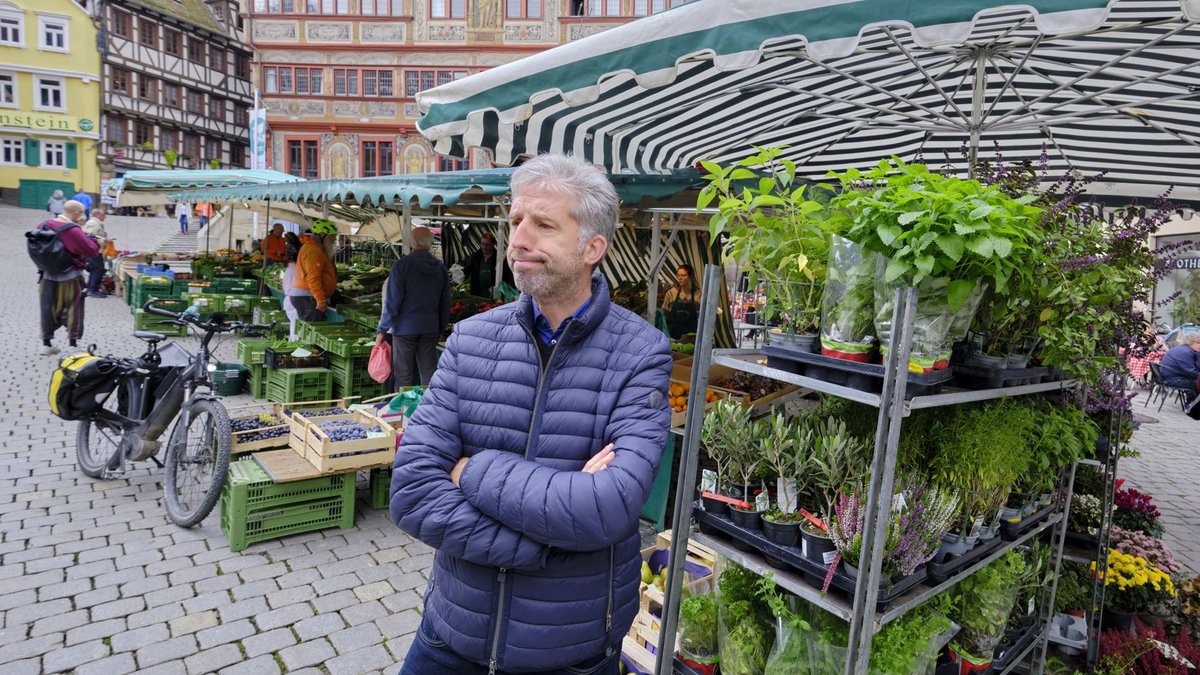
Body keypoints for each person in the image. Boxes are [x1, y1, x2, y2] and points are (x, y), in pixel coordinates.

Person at [389, 153, 672, 675]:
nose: (519, 239)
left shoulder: (641, 353)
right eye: (517, 220)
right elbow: (410, 490)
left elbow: (609, 509)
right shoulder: (472, 340)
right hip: (452, 636)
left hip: (570, 652)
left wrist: (469, 470)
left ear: (593, 247)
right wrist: (553, 537)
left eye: (543, 225)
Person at [376, 227, 450, 389]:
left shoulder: (402, 266)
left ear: (411, 242)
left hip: (404, 329)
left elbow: (392, 302)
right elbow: (445, 303)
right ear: (430, 244)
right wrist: (440, 327)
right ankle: (429, 409)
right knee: (428, 372)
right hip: (430, 328)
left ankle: (404, 410)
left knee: (403, 374)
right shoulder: (440, 268)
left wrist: (382, 330)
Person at [36, 200, 98, 355]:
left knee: (47, 308)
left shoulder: (42, 225)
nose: (81, 216)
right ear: (76, 212)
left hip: (46, 275)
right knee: (73, 308)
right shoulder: (72, 230)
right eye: (81, 213)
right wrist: (93, 239)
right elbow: (91, 250)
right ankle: (72, 344)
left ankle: (46, 344)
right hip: (69, 276)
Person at [289, 220, 338, 322]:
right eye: (332, 236)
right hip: (308, 297)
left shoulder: (315, 248)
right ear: (322, 235)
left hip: (308, 296)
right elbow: (313, 278)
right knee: (312, 327)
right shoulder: (313, 250)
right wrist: (320, 300)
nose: (334, 239)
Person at [462, 231, 513, 297]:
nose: (484, 247)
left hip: (495, 296)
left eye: (487, 244)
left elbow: (507, 277)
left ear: (493, 244)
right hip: (477, 294)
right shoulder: (475, 257)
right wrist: (461, 274)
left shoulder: (500, 258)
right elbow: (468, 269)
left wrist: (499, 288)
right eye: (482, 244)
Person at [662, 264, 701, 338]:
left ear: (691, 277)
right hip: (672, 335)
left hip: (691, 337)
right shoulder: (671, 293)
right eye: (678, 275)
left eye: (683, 275)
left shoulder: (699, 295)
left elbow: (702, 319)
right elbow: (664, 316)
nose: (680, 278)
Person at [81, 206, 111, 298]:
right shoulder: (93, 223)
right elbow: (90, 236)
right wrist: (104, 240)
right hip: (93, 250)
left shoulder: (95, 223)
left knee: (96, 269)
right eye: (103, 214)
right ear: (97, 214)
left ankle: (91, 288)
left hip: (95, 250)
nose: (105, 216)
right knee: (97, 269)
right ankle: (93, 290)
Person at [1160, 331, 1200, 396]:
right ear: (1190, 342)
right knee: (1198, 382)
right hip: (1173, 379)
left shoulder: (1184, 348)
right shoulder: (1186, 352)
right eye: (1198, 343)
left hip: (1171, 376)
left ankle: (1190, 401)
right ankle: (1190, 402)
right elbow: (1192, 372)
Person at [281, 233, 302, 340]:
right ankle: (293, 350)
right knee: (295, 332)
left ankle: (292, 347)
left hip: (290, 302)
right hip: (294, 303)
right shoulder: (295, 269)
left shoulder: (290, 268)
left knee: (294, 329)